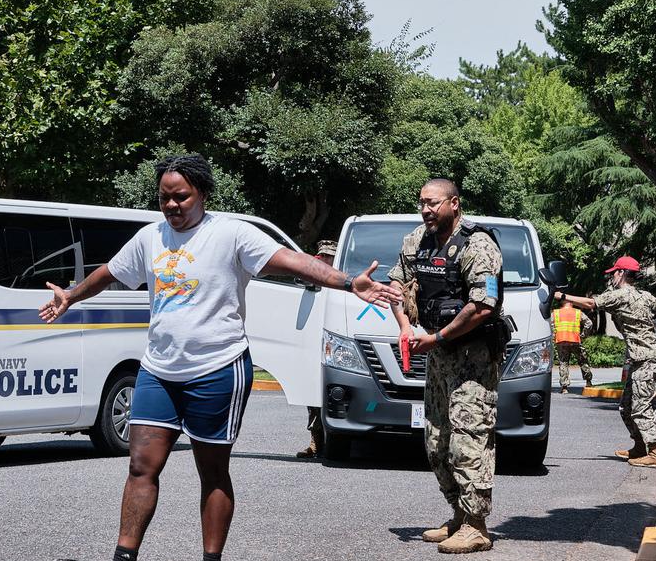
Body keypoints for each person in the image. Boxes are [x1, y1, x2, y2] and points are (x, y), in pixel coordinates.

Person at [39, 154, 402, 561]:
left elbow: (293, 262)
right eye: (164, 198)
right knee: (141, 466)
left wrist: (348, 282)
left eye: (181, 197)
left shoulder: (232, 234)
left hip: (217, 371)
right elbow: (110, 271)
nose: (172, 206)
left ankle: (211, 558)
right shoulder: (151, 238)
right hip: (159, 370)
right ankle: (124, 556)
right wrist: (72, 294)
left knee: (211, 472)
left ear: (203, 194)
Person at [387, 178, 506, 554]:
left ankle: (477, 525)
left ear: (454, 204)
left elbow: (484, 305)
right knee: (436, 440)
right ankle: (458, 515)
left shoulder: (478, 245)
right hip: (437, 356)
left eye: (433, 203)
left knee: (469, 438)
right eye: (421, 203)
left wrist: (437, 338)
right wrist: (406, 326)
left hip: (472, 355)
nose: (425, 210)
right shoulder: (416, 242)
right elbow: (396, 286)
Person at [553, 256, 656, 468]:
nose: (611, 277)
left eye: (614, 273)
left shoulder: (621, 295)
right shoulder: (644, 295)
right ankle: (639, 447)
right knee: (626, 407)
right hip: (641, 358)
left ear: (622, 274)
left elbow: (591, 303)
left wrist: (560, 295)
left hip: (646, 359)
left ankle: (654, 453)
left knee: (641, 406)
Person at [296, 240, 338, 459]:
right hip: (315, 342)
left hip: (337, 344)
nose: (327, 260)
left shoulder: (343, 279)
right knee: (313, 397)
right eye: (324, 256)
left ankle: (335, 442)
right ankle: (316, 441)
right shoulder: (313, 278)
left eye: (330, 256)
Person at [551, 299, 594, 393]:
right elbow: (589, 323)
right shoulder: (578, 312)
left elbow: (551, 326)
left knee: (563, 363)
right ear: (571, 302)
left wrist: (554, 337)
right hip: (575, 340)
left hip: (561, 341)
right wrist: (583, 335)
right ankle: (588, 381)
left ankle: (564, 387)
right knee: (582, 360)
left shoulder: (555, 313)